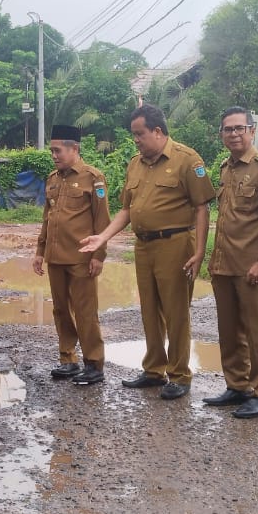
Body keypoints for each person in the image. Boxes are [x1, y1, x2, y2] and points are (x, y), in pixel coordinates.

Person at [80, 104, 216, 400]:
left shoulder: (187, 160)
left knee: (176, 311)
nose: (136, 140)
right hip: (143, 246)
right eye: (133, 135)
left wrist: (201, 251)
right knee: (149, 310)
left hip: (176, 244)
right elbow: (126, 210)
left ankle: (179, 374)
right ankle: (154, 369)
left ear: (157, 131)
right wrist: (101, 237)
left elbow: (202, 208)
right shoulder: (135, 163)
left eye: (140, 134)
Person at [204, 107, 258, 419]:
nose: (234, 134)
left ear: (252, 131)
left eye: (240, 128)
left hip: (253, 264)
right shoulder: (226, 168)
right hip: (224, 263)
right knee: (229, 330)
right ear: (222, 134)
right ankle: (237, 385)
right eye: (228, 129)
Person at [33, 125, 113, 386]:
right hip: (55, 258)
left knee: (85, 311)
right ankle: (68, 359)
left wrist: (98, 255)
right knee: (60, 310)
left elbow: (102, 220)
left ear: (74, 149)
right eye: (52, 151)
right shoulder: (52, 179)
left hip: (81, 257)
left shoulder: (93, 178)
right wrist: (39, 251)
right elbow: (48, 218)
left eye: (58, 150)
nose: (54, 155)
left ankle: (93, 363)